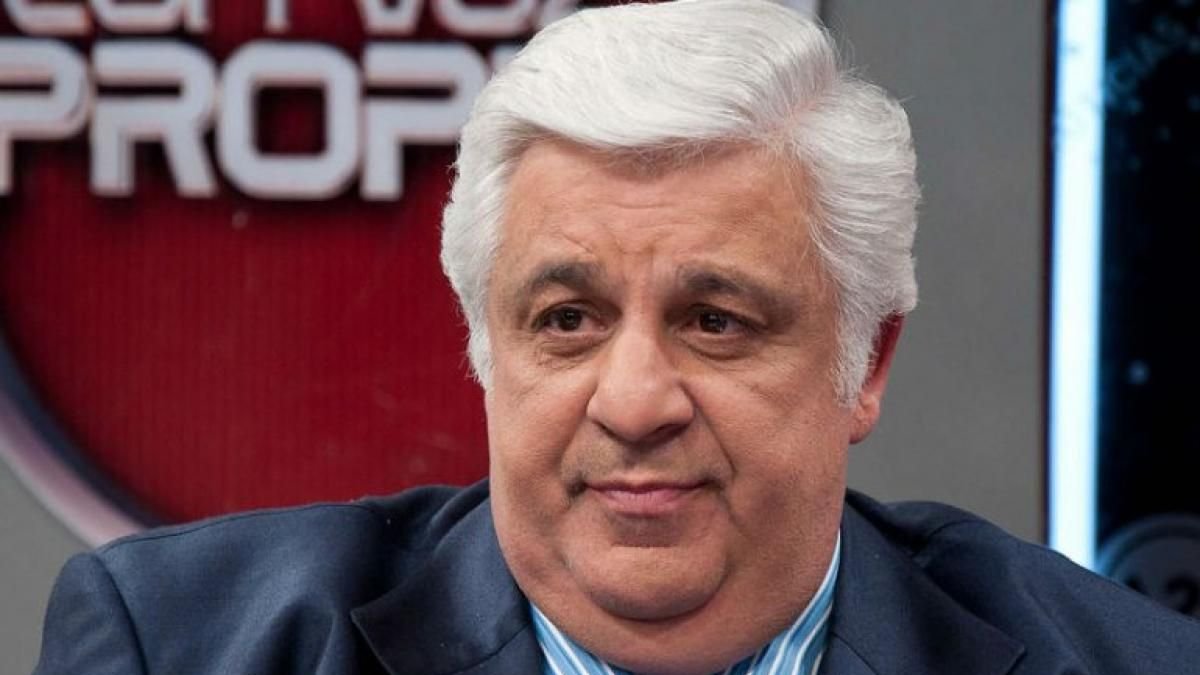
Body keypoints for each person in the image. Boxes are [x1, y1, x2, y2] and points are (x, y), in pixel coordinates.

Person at [33, 1, 1200, 674]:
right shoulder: (181, 646)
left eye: (716, 320)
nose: (635, 401)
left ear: (866, 362)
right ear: (485, 348)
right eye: (567, 321)